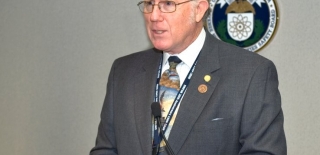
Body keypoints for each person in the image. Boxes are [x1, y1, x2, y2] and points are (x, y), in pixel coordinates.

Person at [90, 0, 287, 154]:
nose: (154, 15)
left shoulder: (250, 73)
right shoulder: (124, 71)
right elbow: (106, 149)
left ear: (199, 10)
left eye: (168, 4)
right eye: (150, 3)